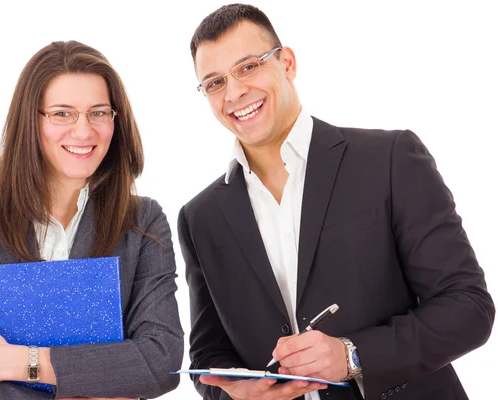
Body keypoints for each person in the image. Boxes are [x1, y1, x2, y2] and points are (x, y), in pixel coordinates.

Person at [177, 4, 495, 400]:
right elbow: (209, 353)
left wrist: (352, 355)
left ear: (287, 63)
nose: (234, 92)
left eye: (248, 67)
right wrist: (236, 395)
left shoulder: (390, 159)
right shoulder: (200, 217)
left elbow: (468, 308)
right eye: (214, 82)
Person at [0, 40, 183, 400]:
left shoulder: (142, 222)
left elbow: (160, 362)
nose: (84, 131)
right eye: (62, 113)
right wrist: (84, 388)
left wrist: (17, 362)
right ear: (31, 120)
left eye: (98, 112)